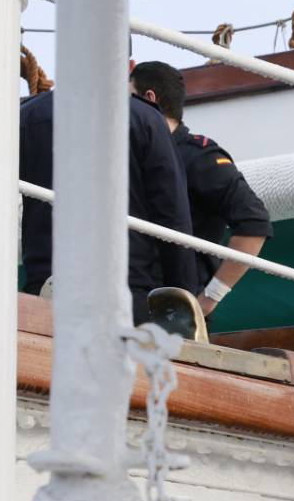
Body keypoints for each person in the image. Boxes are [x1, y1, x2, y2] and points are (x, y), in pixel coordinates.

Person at [19, 79, 203, 324]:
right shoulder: (144, 118)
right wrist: (180, 299)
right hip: (127, 290)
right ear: (128, 66)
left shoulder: (27, 116)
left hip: (45, 287)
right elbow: (172, 214)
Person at [128, 61, 274, 316]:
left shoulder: (199, 158)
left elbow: (254, 222)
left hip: (173, 316)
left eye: (127, 99)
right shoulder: (132, 157)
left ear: (149, 98)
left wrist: (206, 301)